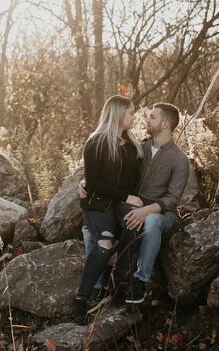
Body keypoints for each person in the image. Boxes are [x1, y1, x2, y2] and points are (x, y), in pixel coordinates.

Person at [79, 101, 189, 306]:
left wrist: (146, 211)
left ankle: (140, 280)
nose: (146, 119)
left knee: (151, 222)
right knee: (90, 229)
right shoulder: (140, 147)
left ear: (165, 124)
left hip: (160, 212)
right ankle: (100, 283)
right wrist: (87, 181)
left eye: (153, 117)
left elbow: (173, 199)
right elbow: (115, 174)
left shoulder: (179, 159)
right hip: (132, 206)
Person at [72, 95, 144, 325]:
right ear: (118, 113)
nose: (134, 116)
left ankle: (117, 282)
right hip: (97, 202)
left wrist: (133, 200)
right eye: (131, 112)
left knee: (136, 223)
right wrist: (125, 196)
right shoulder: (96, 141)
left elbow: (135, 180)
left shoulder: (133, 144)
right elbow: (93, 181)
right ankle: (82, 299)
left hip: (120, 204)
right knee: (105, 243)